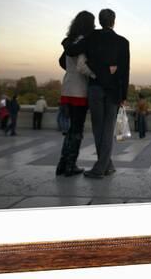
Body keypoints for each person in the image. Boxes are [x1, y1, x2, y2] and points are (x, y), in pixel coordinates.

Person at [64, 8, 130, 179]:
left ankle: (101, 168)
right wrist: (124, 96)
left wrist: (66, 41)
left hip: (95, 88)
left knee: (98, 128)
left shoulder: (91, 37)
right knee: (107, 130)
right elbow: (124, 71)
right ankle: (106, 165)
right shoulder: (123, 42)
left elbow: (71, 50)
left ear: (100, 21)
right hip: (114, 90)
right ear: (113, 21)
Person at [56, 11, 96, 177]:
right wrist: (95, 75)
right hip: (79, 91)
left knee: (71, 130)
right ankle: (71, 166)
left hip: (67, 89)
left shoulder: (70, 41)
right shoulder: (83, 42)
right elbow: (82, 66)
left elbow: (62, 62)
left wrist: (71, 73)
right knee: (77, 130)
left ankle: (63, 164)